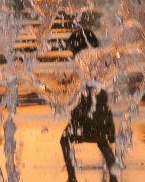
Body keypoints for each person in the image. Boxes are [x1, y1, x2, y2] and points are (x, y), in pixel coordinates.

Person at [61, 26, 118, 182]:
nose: (71, 52)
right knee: (102, 142)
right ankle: (114, 176)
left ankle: (71, 176)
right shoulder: (99, 59)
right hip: (101, 102)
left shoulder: (82, 61)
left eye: (72, 48)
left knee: (65, 140)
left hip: (88, 103)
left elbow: (79, 85)